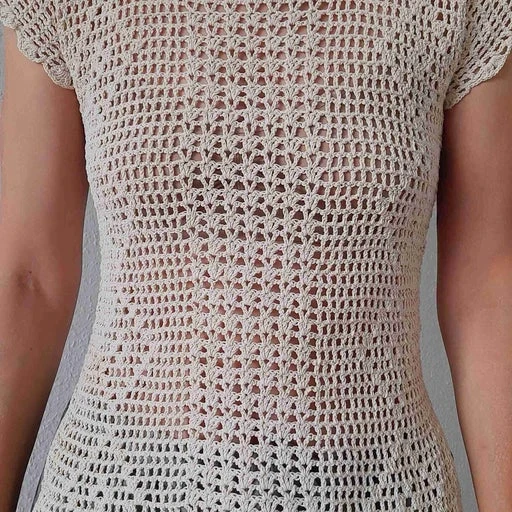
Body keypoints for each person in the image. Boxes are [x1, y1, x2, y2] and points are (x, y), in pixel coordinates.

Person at [0, 0, 511, 511]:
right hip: (116, 476)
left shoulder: (453, 10)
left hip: (377, 481)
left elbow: (487, 288)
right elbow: (27, 275)